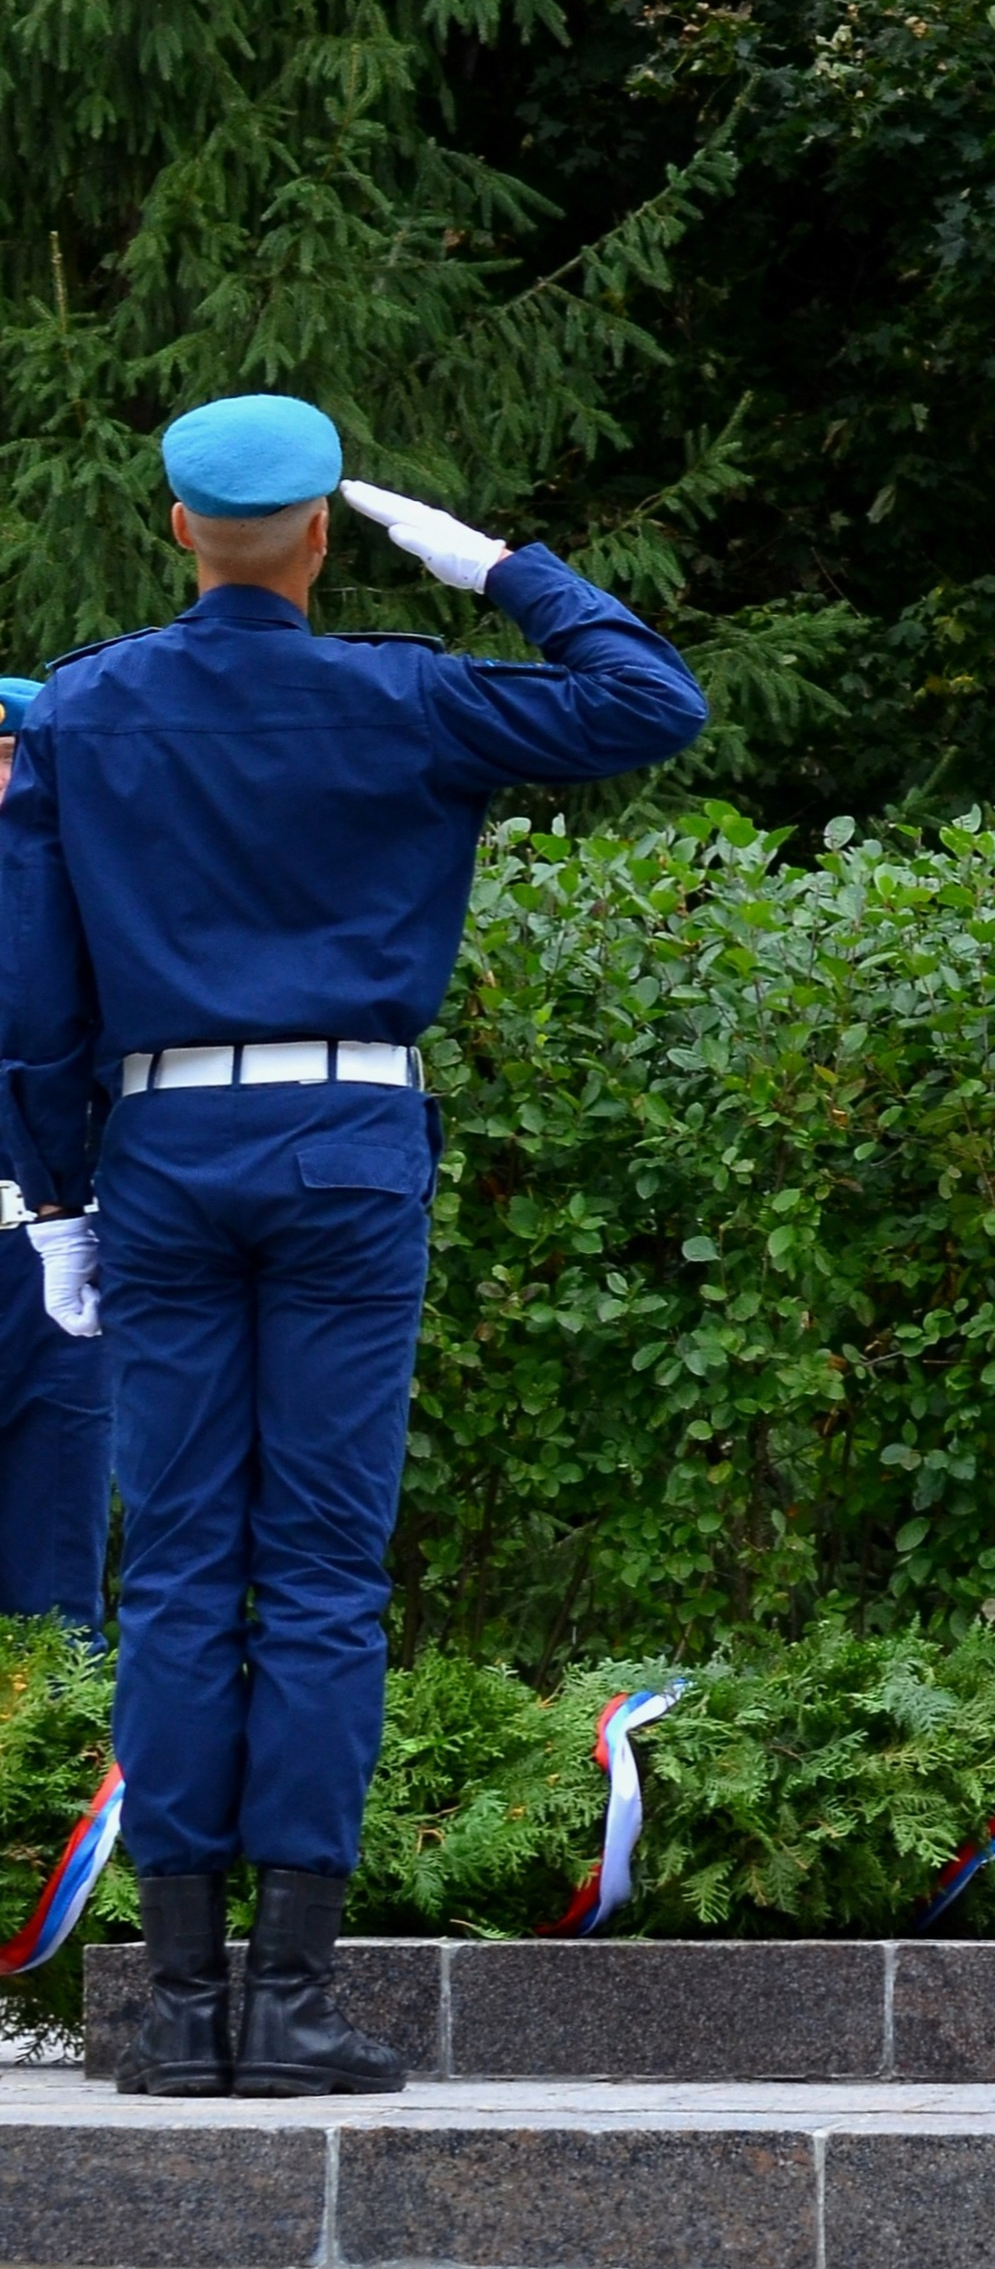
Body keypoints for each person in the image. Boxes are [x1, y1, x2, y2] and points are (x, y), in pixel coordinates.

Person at [0, 397, 706, 2100]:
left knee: (174, 1570)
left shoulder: (87, 707)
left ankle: (178, 2006)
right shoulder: (402, 690)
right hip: (344, 1136)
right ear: (322, 533)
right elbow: (650, 700)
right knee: (316, 1569)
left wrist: (57, 1200)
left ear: (181, 530)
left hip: (162, 1145)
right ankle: (296, 1995)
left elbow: (32, 994)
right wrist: (492, 560)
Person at [0, 678, 111, 1645]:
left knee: (54, 1586)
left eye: (12, 765)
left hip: (48, 1251)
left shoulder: (106, 909)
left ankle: (47, 1783)